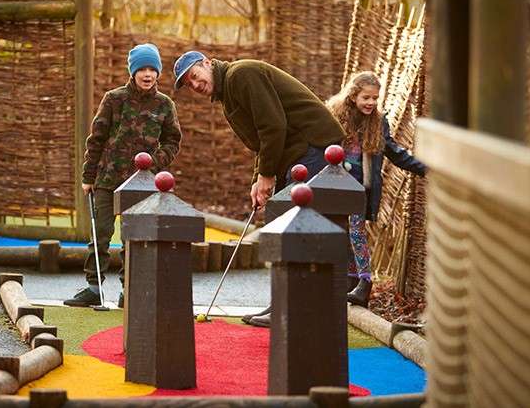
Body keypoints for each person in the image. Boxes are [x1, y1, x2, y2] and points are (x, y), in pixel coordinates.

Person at [173, 51, 345, 327]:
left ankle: (295, 307)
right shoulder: (228, 96)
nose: (194, 85)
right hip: (296, 152)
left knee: (294, 225)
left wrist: (267, 174)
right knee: (283, 220)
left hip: (314, 145)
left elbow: (273, 126)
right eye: (188, 84)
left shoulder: (242, 74)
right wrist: (259, 179)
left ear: (207, 63)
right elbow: (260, 142)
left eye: (194, 76)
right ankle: (284, 302)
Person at [65, 43, 182, 308]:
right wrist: (88, 175)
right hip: (107, 178)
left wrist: (155, 162)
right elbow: (96, 138)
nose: (148, 74)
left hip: (141, 183)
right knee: (102, 232)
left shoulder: (164, 105)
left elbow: (173, 141)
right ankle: (94, 287)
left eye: (153, 68)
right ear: (133, 72)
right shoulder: (113, 98)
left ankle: (128, 289)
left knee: (133, 237)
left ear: (158, 73)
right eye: (142, 68)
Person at [326, 72, 427, 308]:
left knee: (356, 233)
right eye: (366, 97)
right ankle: (351, 280)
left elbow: (393, 151)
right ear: (353, 96)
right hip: (337, 185)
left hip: (359, 188)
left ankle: (365, 283)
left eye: (374, 98)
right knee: (342, 234)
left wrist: (423, 168)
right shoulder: (335, 114)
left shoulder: (378, 122)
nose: (371, 102)